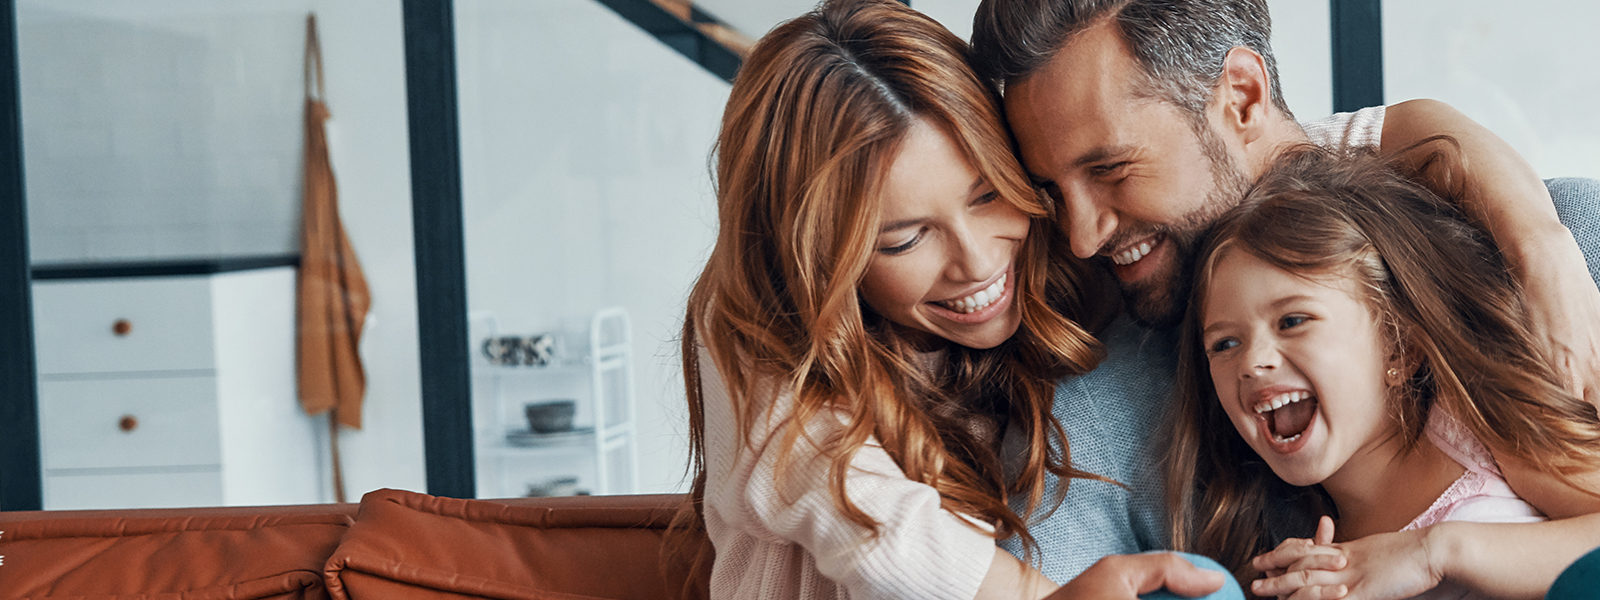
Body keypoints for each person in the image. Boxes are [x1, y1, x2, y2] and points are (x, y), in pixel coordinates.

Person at [967, 0, 1600, 590]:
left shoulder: (1526, 272)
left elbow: (1406, 132)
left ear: (1242, 99)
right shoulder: (1096, 417)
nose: (1080, 236)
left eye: (1111, 169)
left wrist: (1543, 251)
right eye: (1050, 188)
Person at [676, 1, 1233, 598]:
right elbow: (876, 527)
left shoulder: (1060, 240)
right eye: (907, 239)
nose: (979, 262)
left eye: (989, 194)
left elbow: (1277, 178)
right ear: (815, 260)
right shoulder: (758, 334)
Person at [1171, 146, 1600, 599]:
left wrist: (1435, 551)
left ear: (1399, 346)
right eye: (1224, 344)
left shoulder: (1474, 426)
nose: (1253, 362)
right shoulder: (1321, 563)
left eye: (1293, 321)